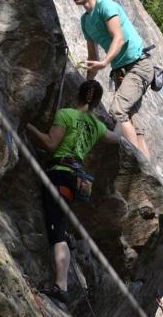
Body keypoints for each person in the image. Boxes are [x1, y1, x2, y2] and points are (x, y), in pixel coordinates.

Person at [26, 80, 118, 304]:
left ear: (78, 94)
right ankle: (62, 279)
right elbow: (116, 139)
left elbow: (50, 144)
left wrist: (28, 126)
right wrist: (120, 120)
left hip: (59, 174)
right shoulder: (96, 126)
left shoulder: (66, 114)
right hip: (76, 179)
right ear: (96, 102)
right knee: (61, 226)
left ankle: (61, 285)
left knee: (56, 232)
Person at [71, 0, 153, 159]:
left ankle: (138, 164)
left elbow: (119, 37)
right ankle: (151, 175)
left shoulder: (105, 6)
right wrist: (86, 91)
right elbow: (93, 58)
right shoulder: (85, 21)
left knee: (117, 110)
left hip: (138, 64)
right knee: (132, 125)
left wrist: (105, 62)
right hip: (121, 72)